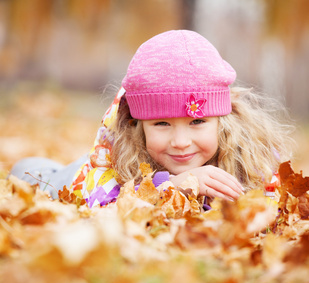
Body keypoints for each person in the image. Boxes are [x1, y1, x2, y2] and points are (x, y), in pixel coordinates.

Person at [11, 30, 294, 208]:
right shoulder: (120, 149)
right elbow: (97, 201)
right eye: (161, 123)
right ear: (137, 126)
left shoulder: (250, 155)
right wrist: (172, 184)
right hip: (73, 177)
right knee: (28, 169)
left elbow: (271, 197)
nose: (181, 142)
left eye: (197, 122)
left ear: (223, 121)